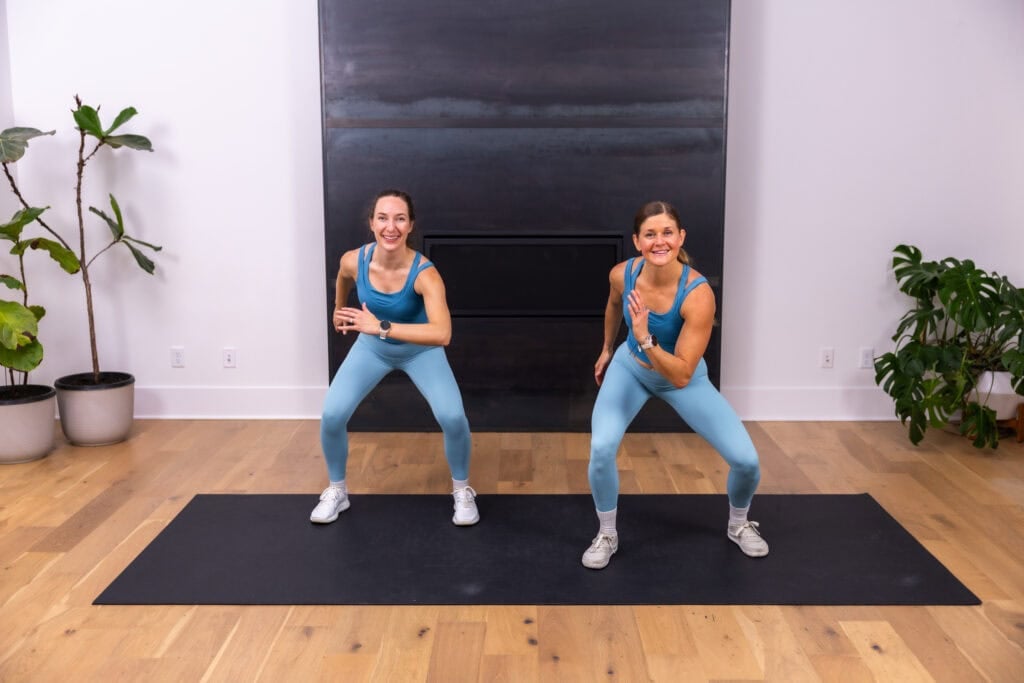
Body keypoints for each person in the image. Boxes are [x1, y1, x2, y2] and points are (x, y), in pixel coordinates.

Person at [582, 200, 767, 569]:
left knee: (747, 462)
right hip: (631, 370)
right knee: (601, 448)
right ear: (637, 241)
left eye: (667, 232)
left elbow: (681, 374)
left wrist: (644, 337)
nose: (659, 241)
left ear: (680, 237)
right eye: (650, 234)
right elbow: (614, 305)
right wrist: (606, 349)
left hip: (682, 378)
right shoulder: (621, 274)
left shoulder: (698, 294)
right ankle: (607, 533)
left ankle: (738, 523)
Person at [311, 189, 478, 526]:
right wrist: (337, 309)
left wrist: (381, 326)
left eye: (400, 219)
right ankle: (337, 491)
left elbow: (442, 333)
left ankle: (463, 491)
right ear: (372, 223)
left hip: (421, 352)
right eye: (383, 218)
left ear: (410, 225)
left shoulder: (425, 274)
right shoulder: (353, 260)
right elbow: (343, 277)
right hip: (372, 349)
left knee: (452, 417)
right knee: (332, 415)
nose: (391, 227)